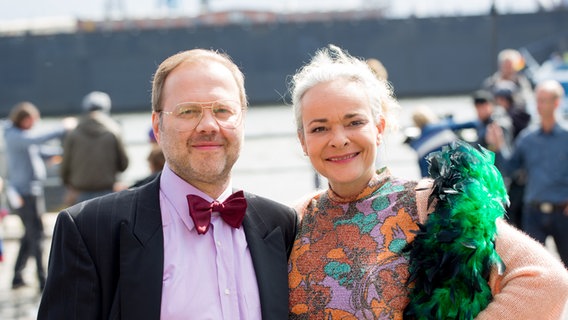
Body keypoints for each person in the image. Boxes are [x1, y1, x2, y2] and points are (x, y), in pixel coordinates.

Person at [287, 45, 568, 319]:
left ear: (379, 128)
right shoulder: (292, 220)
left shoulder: (430, 204)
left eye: (354, 122)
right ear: (303, 140)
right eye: (319, 128)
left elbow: (547, 281)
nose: (339, 139)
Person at [38, 48, 298, 319]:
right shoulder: (89, 230)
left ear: (242, 121)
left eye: (223, 110)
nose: (208, 125)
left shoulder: (282, 224)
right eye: (188, 111)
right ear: (158, 126)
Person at [487, 79, 568, 266]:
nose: (538, 105)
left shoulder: (566, 136)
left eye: (543, 100)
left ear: (557, 103)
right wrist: (498, 146)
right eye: (537, 100)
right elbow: (509, 168)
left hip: (562, 213)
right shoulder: (528, 138)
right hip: (534, 212)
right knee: (534, 266)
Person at [3, 101, 75, 291]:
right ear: (23, 119)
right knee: (36, 234)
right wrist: (62, 129)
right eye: (32, 121)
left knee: (29, 234)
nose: (34, 124)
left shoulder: (21, 136)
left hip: (32, 191)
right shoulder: (14, 136)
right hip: (24, 193)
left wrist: (65, 152)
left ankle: (17, 276)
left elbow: (40, 151)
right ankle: (43, 279)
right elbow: (35, 140)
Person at [60, 91, 129, 206]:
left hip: (80, 194)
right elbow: (123, 164)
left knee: (81, 224)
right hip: (107, 193)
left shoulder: (74, 133)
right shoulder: (114, 132)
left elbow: (65, 166)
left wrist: (69, 184)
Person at [407, 105, 476, 177]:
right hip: (461, 168)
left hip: (441, 179)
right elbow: (472, 124)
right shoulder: (442, 125)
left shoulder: (418, 146)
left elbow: (425, 175)